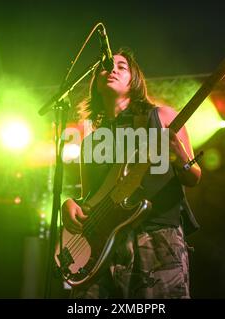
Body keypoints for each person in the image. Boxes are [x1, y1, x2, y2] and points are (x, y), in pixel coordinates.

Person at [61, 48, 201, 299]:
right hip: (102, 244)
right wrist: (69, 204)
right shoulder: (91, 140)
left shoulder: (161, 116)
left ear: (134, 79)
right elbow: (90, 198)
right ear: (95, 82)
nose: (112, 69)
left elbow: (194, 176)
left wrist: (180, 157)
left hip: (156, 234)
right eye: (105, 66)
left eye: (121, 66)